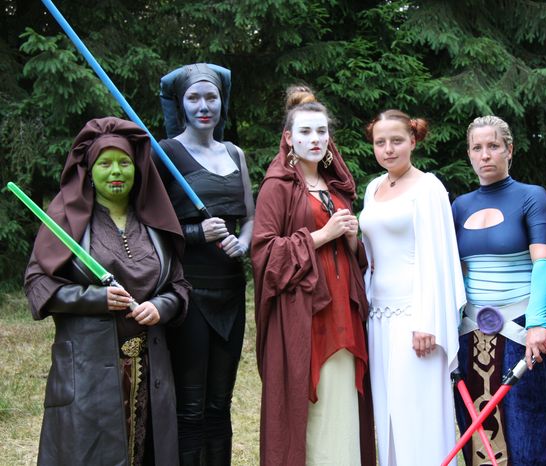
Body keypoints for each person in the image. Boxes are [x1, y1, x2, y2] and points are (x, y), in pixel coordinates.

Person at [23, 117, 190, 466]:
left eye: (124, 162)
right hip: (87, 369)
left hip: (149, 368)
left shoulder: (154, 223)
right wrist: (94, 299)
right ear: (89, 170)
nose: (116, 171)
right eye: (105, 163)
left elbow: (179, 285)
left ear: (137, 168)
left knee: (145, 453)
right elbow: (38, 284)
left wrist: (162, 306)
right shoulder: (66, 221)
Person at [251, 86, 375, 466]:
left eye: (322, 131)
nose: (315, 139)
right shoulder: (277, 187)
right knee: (310, 399)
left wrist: (351, 239)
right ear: (289, 138)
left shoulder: (337, 187)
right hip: (304, 313)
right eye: (305, 132)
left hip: (343, 309)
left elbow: (352, 257)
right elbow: (264, 254)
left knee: (342, 396)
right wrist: (322, 235)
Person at [155, 63, 255, 465]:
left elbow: (249, 218)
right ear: (180, 103)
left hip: (231, 290)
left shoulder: (235, 154)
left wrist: (242, 243)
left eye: (211, 97)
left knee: (219, 404)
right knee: (191, 406)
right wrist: (197, 233)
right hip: (189, 293)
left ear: (221, 101)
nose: (203, 106)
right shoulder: (165, 153)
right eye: (193, 98)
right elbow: (153, 226)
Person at [451, 115, 546, 465]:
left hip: (521, 330)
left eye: (494, 146)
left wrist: (537, 324)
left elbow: (544, 264)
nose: (485, 155)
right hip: (471, 333)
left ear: (509, 150)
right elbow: (453, 272)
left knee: (527, 428)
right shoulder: (460, 206)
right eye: (477, 148)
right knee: (478, 434)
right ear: (469, 154)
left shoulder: (532, 197)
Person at [359, 109, 466, 466]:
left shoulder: (428, 188)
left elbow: (436, 256)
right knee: (388, 411)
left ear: (413, 141)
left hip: (415, 316)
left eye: (397, 140)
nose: (388, 149)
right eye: (380, 142)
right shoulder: (373, 188)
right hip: (379, 314)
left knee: (416, 412)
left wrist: (427, 321)